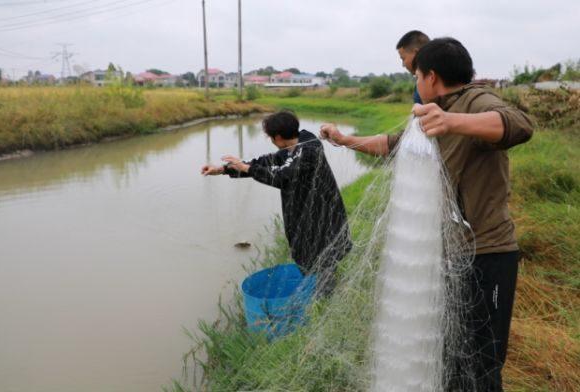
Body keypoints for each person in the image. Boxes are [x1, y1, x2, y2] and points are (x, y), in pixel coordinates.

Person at [320, 37, 533, 391]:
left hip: (487, 256)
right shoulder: (432, 113)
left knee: (481, 363)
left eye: (416, 75)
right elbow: (392, 144)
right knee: (451, 356)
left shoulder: (475, 101)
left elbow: (518, 124)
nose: (415, 84)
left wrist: (452, 121)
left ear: (431, 76)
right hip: (451, 255)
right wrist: (345, 140)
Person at [201, 111, 352, 295]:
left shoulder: (309, 150)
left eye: (270, 137)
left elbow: (281, 177)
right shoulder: (294, 147)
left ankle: (325, 301)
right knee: (310, 260)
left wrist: (247, 168)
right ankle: (319, 296)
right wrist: (222, 169)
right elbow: (265, 162)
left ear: (278, 137)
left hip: (322, 216)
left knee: (324, 259)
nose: (271, 140)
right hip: (305, 217)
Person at [396, 30, 430, 103]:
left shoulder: (430, 82)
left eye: (403, 58)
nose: (403, 65)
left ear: (417, 53)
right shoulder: (422, 78)